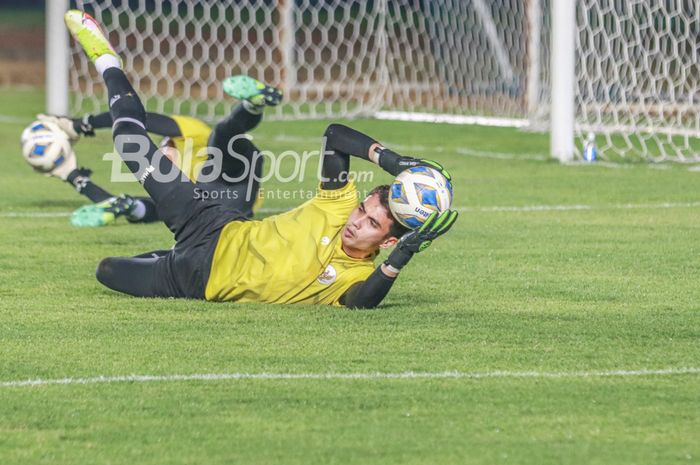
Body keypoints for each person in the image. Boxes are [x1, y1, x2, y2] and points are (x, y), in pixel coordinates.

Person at [65, 10, 458, 308]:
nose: (357, 221)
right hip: (214, 220)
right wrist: (391, 160)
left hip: (195, 278)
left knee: (108, 271)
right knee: (130, 142)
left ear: (388, 241)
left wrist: (401, 259)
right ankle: (107, 61)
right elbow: (335, 135)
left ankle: (159, 239)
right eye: (363, 210)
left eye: (371, 223)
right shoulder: (337, 205)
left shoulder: (356, 275)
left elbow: (362, 301)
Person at [40, 75, 281, 226]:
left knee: (221, 137)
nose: (163, 154)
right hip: (222, 209)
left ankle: (253, 103)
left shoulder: (193, 134)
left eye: (166, 146)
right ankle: (252, 105)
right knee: (160, 205)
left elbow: (140, 119)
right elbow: (134, 207)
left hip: (236, 175)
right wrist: (73, 176)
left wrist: (82, 124)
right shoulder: (171, 180)